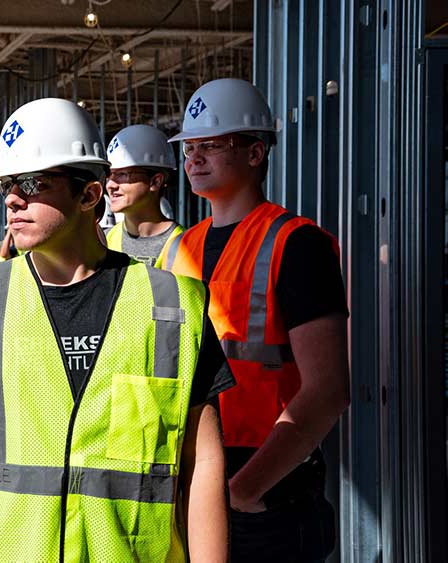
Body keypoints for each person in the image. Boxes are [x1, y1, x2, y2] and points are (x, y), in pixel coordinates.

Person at [0, 98, 234, 562]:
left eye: (32, 183)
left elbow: (202, 462)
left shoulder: (173, 305)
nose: (12, 198)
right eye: (6, 184)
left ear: (89, 195)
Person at [160, 78, 350, 562]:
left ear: (255, 152)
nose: (194, 158)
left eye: (211, 145)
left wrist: (244, 490)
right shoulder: (180, 249)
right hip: (193, 480)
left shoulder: (297, 244)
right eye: (189, 148)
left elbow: (328, 390)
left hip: (266, 497)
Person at [104, 124, 183, 267]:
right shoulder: (104, 240)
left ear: (155, 181)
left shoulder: (185, 245)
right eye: (109, 175)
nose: (110, 184)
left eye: (122, 174)